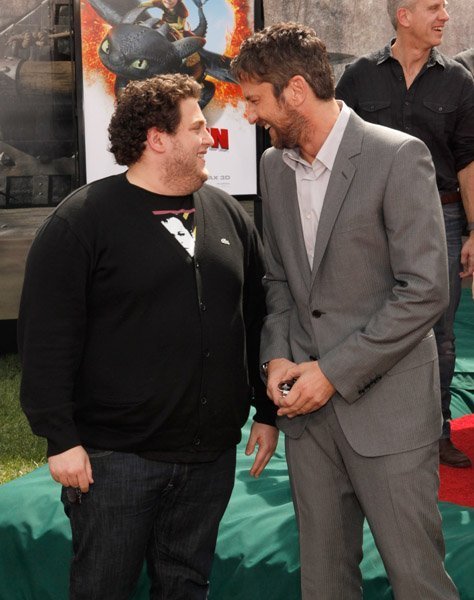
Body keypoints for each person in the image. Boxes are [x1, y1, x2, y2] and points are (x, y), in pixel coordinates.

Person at [18, 73, 278, 600]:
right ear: (157, 139)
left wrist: (266, 411)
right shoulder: (82, 221)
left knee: (186, 587)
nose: (210, 138)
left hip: (209, 458)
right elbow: (46, 339)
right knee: (103, 589)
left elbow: (257, 317)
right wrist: (60, 438)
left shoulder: (228, 213)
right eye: (198, 127)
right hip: (116, 461)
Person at [231, 22, 459, 600]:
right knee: (325, 582)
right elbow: (279, 279)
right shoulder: (273, 168)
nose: (249, 115)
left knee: (418, 581)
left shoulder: (397, 156)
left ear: (296, 90)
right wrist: (276, 358)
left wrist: (331, 374)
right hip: (308, 423)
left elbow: (425, 289)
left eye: (255, 100)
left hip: (389, 416)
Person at [336, 0, 474, 468]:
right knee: (369, 319)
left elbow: (468, 160)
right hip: (370, 220)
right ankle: (373, 427)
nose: (445, 16)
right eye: (435, 7)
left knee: (442, 331)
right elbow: (337, 150)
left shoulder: (459, 81)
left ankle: (436, 432)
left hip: (443, 218)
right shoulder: (358, 77)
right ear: (404, 15)